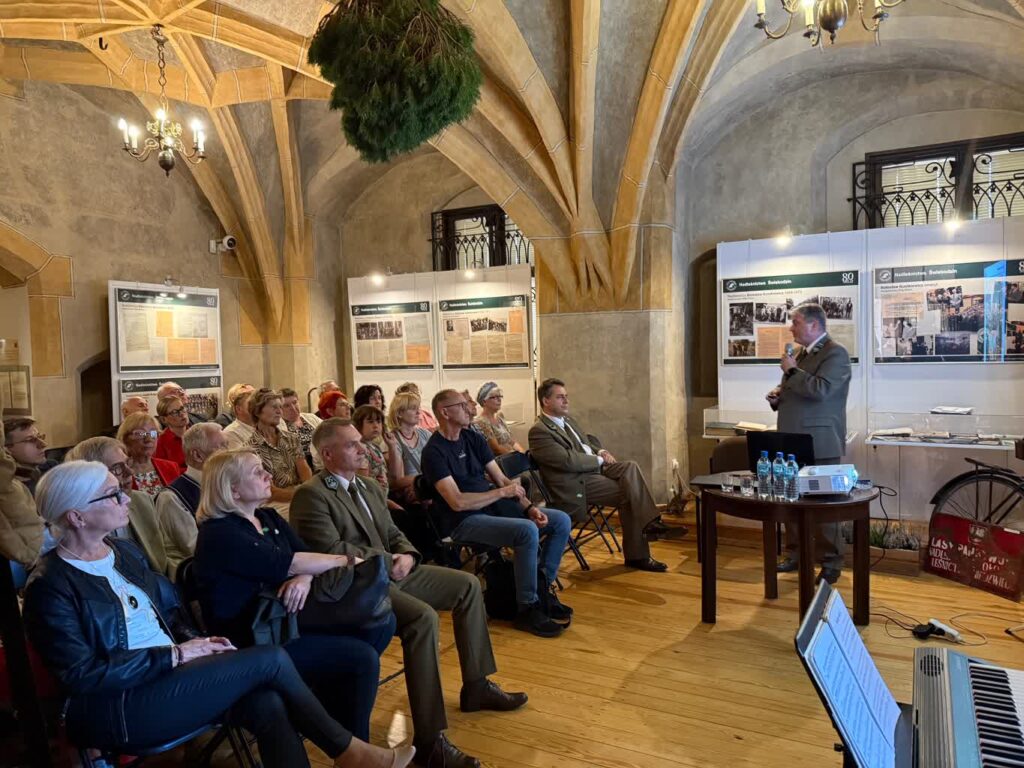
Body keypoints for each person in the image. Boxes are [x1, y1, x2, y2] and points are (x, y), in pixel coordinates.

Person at [23, 461, 413, 768]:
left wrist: (197, 642)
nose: (126, 500)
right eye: (113, 495)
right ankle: (352, 753)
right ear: (76, 516)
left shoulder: (125, 554)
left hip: (169, 677)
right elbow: (82, 676)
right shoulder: (51, 585)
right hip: (120, 704)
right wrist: (175, 655)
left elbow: (169, 613)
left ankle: (351, 755)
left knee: (267, 703)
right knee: (271, 658)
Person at [290, 419, 527, 768]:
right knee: (423, 618)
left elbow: (391, 531)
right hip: (358, 586)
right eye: (351, 444)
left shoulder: (368, 486)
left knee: (467, 585)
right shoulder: (312, 494)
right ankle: (430, 740)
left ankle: (476, 683)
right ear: (327, 454)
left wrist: (408, 555)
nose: (361, 449)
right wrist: (391, 560)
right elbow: (331, 549)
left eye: (360, 442)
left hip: (392, 572)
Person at [193, 450, 396, 746]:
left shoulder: (268, 516)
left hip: (286, 618)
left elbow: (301, 557)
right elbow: (287, 562)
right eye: (256, 471)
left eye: (264, 468)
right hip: (253, 636)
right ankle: (354, 746)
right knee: (361, 657)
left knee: (381, 623)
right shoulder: (219, 533)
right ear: (232, 489)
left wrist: (304, 577)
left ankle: (326, 711)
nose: (268, 476)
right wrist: (345, 560)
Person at [422, 390, 572, 637]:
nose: (469, 408)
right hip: (462, 520)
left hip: (491, 508)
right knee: (525, 531)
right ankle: (527, 607)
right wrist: (501, 495)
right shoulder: (434, 452)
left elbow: (501, 479)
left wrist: (529, 507)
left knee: (560, 521)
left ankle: (541, 588)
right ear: (444, 412)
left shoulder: (473, 438)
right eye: (461, 405)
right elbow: (457, 502)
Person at [529, 378, 667, 573]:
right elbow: (568, 461)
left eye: (566, 397)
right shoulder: (539, 431)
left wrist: (600, 451)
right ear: (545, 401)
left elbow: (586, 442)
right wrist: (599, 461)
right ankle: (641, 548)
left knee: (630, 467)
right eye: (560, 397)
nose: (566, 401)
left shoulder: (568, 421)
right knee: (630, 493)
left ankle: (651, 524)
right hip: (575, 482)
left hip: (592, 470)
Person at [766, 303, 852, 584]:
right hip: (793, 441)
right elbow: (800, 391)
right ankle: (794, 554)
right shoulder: (800, 355)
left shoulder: (835, 353)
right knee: (791, 501)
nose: (791, 327)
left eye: (796, 322)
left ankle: (830, 564)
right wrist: (779, 398)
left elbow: (823, 390)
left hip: (821, 442)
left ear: (814, 325)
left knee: (825, 507)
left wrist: (791, 373)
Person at [64, 437, 167, 575]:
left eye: (127, 464)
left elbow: (166, 552)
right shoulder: (78, 521)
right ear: (90, 477)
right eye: (117, 468)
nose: (130, 472)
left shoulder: (142, 501)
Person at [157, 423, 228, 578]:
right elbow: (198, 549)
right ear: (197, 455)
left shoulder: (226, 486)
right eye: (222, 448)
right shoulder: (172, 498)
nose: (230, 454)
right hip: (199, 579)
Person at [248, 388, 312, 516]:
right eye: (273, 407)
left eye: (280, 407)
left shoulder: (291, 438)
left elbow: (304, 470)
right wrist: (300, 495)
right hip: (272, 503)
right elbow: (269, 491)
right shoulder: (250, 449)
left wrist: (308, 492)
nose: (279, 412)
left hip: (300, 494)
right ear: (258, 411)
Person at [116, 412, 181, 495]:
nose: (149, 439)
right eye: (140, 433)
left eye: (153, 433)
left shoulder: (171, 467)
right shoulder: (118, 473)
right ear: (125, 438)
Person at [352, 405, 402, 510]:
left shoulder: (375, 447)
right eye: (370, 422)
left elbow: (394, 476)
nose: (376, 426)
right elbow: (363, 485)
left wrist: (392, 446)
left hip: (382, 499)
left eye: (379, 422)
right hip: (371, 503)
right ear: (358, 425)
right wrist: (387, 503)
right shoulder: (359, 450)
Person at [3, 417, 56, 495]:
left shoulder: (51, 466)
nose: (43, 444)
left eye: (40, 437)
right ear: (6, 449)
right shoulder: (11, 490)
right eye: (30, 440)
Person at [473, 382, 523, 456]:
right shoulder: (481, 422)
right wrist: (517, 459)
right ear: (484, 401)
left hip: (512, 457)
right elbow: (496, 449)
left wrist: (523, 454)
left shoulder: (500, 417)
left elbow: (512, 441)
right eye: (494, 397)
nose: (499, 399)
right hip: (500, 461)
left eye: (500, 396)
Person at [282, 387, 323, 469]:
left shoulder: (311, 417)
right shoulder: (280, 425)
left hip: (321, 458)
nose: (293, 408)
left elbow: (328, 431)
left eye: (294, 402)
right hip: (299, 465)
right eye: (286, 406)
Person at [154, 396, 189, 471]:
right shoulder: (161, 442)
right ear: (164, 419)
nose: (182, 414)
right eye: (174, 412)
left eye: (182, 409)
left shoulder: (197, 432)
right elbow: (163, 471)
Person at [223, 385, 257, 449]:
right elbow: (243, 458)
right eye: (251, 404)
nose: (257, 407)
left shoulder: (266, 426)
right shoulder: (231, 433)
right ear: (238, 409)